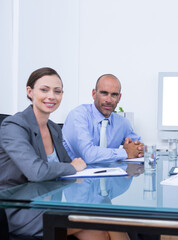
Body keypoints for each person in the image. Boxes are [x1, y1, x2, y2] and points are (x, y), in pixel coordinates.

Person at [0, 68, 129, 239]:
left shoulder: (54, 128)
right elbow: (37, 171)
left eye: (57, 91)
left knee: (101, 231)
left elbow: (73, 169)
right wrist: (71, 167)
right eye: (44, 90)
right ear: (30, 92)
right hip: (23, 210)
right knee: (109, 217)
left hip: (51, 205)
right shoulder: (13, 126)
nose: (51, 96)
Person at [62, 74, 143, 164]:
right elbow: (88, 155)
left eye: (114, 95)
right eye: (104, 93)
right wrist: (125, 152)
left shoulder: (122, 123)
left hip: (108, 174)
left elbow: (140, 146)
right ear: (94, 94)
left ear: (119, 98)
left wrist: (139, 149)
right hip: (76, 176)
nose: (108, 100)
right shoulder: (78, 116)